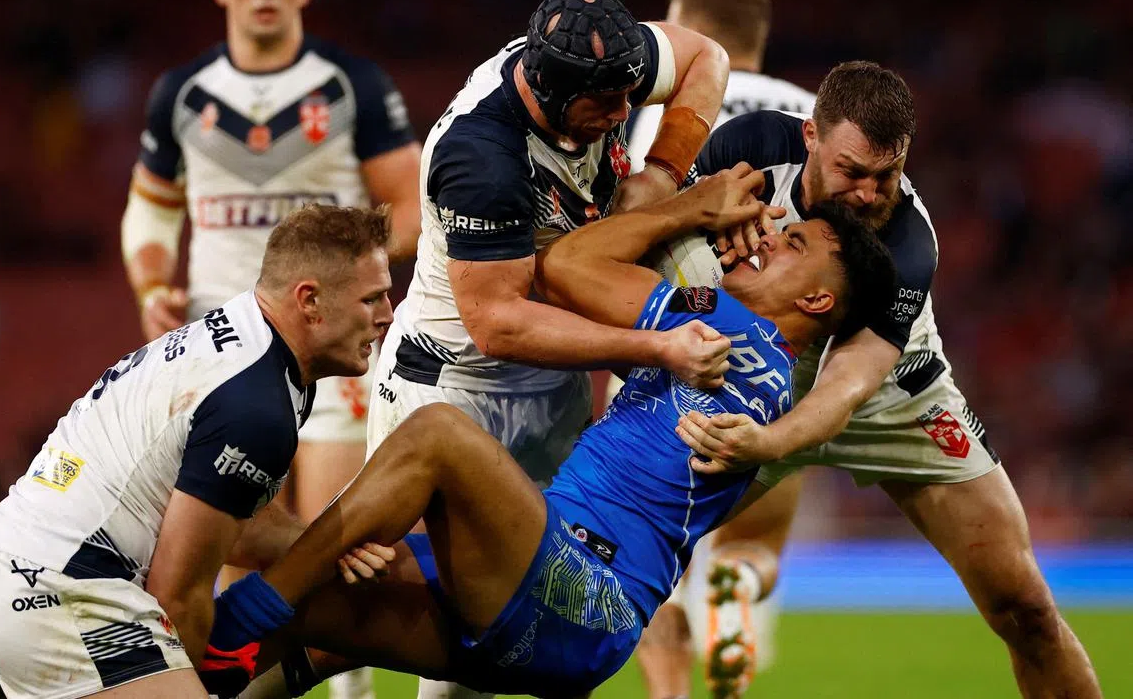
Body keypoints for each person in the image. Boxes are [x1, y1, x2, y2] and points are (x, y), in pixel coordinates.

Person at [195, 164, 897, 699]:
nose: (769, 237)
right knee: (311, 590)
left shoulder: (734, 331)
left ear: (816, 298)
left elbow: (564, 265)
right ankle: (218, 638)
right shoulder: (750, 355)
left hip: (587, 590)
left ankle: (256, 606)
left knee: (438, 436)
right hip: (551, 596)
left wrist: (689, 206)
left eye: (794, 243)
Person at [676, 60, 1103, 697]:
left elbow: (848, 384)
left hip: (896, 402)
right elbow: (660, 231)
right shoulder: (749, 148)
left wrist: (766, 445)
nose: (870, 195)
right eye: (852, 172)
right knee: (627, 554)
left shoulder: (908, 243)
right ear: (811, 138)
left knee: (1027, 608)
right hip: (751, 387)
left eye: (888, 175)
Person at [367, 0, 730, 699]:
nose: (626, 113)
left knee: (552, 612)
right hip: (453, 390)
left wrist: (660, 175)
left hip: (550, 387)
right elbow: (497, 323)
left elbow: (706, 56)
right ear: (550, 92)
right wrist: (653, 348)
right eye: (606, 103)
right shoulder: (483, 157)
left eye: (630, 94)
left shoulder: (596, 58)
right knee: (450, 632)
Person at [121, 0, 421, 694]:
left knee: (336, 539)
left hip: (329, 346)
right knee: (228, 549)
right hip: (218, 347)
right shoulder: (183, 92)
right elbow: (150, 210)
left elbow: (411, 205)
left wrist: (353, 275)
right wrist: (151, 281)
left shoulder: (351, 84)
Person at [0, 205, 398, 698]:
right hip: (67, 593)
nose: (387, 315)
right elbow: (178, 595)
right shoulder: (256, 402)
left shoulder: (246, 340)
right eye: (372, 298)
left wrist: (328, 546)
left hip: (25, 567)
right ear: (309, 300)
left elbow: (229, 521)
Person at [613, 0, 817, 698]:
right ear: (761, 38)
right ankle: (736, 580)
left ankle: (670, 694)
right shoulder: (814, 116)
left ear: (681, 28)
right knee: (755, 543)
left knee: (649, 556)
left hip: (670, 340)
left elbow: (615, 230)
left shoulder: (652, 115)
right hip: (781, 352)